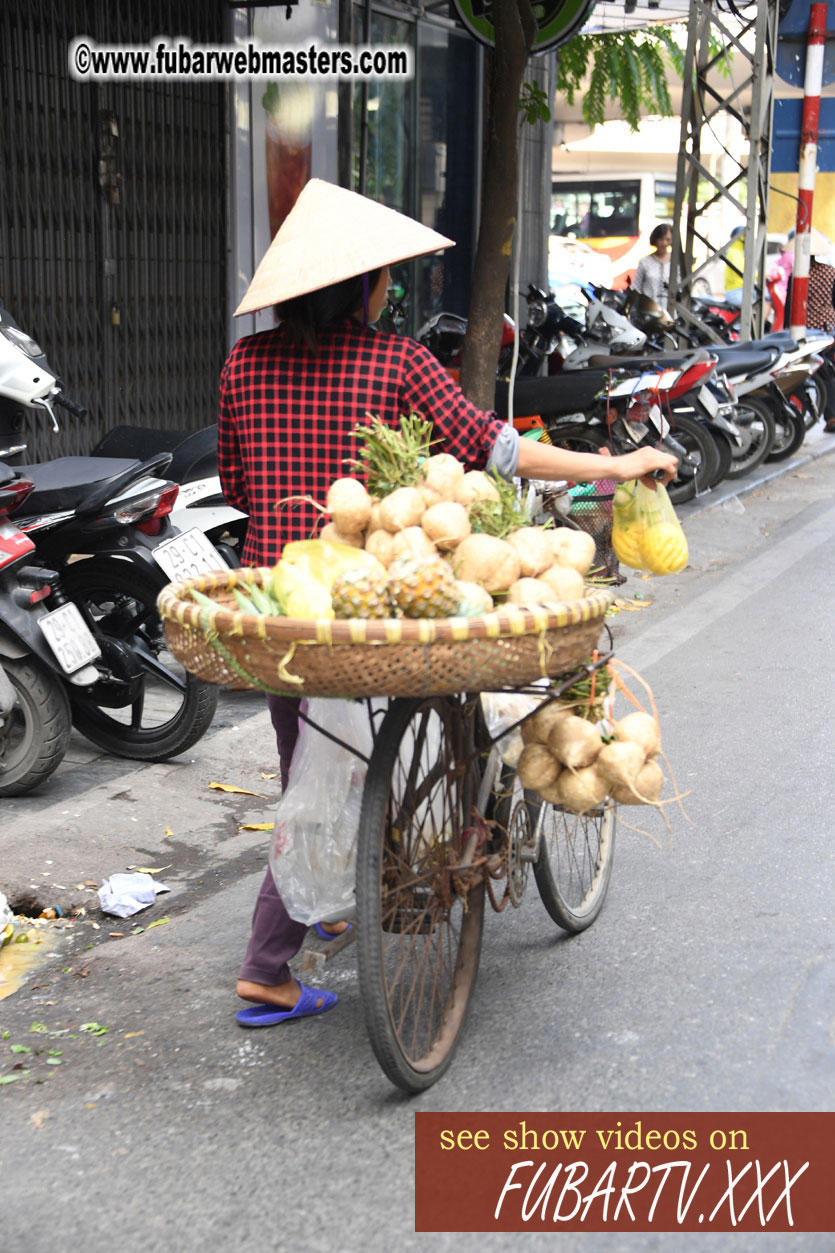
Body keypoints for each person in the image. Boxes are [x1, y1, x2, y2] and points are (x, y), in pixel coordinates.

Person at [217, 179, 679, 1029]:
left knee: (311, 768)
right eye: (385, 276)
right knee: (349, 774)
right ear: (362, 287)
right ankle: (266, 966)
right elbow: (497, 451)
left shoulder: (244, 362)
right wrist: (611, 466)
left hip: (280, 610)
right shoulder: (394, 360)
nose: (390, 288)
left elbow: (238, 487)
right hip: (379, 603)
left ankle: (347, 885)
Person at [631, 223, 672, 305]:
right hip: (648, 310)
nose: (664, 243)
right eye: (661, 239)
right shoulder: (645, 262)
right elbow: (636, 288)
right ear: (655, 240)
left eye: (667, 240)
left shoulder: (675, 263)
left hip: (670, 312)